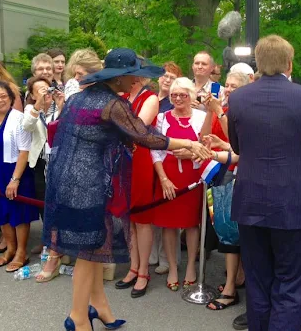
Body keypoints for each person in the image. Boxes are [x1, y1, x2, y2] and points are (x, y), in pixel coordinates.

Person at [42, 48, 210, 331]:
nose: (135, 81)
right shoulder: (112, 104)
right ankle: (78, 317)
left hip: (69, 182)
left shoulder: (78, 98)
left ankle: (100, 307)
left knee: (95, 248)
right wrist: (190, 144)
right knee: (87, 254)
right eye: (132, 76)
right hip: (90, 185)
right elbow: (145, 136)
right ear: (117, 78)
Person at [227, 35, 301, 331]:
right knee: (290, 283)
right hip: (293, 201)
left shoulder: (237, 98)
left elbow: (237, 146)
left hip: (250, 199)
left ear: (257, 63)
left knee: (259, 282)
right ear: (289, 63)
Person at [151, 77, 207, 292]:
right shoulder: (162, 118)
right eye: (174, 95)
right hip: (168, 175)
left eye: (183, 94)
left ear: (191, 96)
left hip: (192, 178)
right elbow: (154, 149)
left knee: (192, 224)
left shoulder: (201, 117)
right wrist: (163, 178)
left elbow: (205, 146)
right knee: (168, 224)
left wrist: (191, 152)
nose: (177, 99)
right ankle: (173, 267)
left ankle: (191, 265)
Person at [0, 81, 38, 272]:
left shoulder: (20, 119)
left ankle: (21, 252)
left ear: (11, 98)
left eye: (3, 96)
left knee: (18, 214)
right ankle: (10, 249)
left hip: (15, 172)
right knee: (1, 213)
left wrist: (15, 179)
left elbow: (24, 151)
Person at [201, 71, 250, 311]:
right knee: (229, 230)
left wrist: (219, 111)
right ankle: (232, 283)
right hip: (225, 172)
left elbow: (242, 144)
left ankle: (237, 282)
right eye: (226, 86)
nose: (228, 89)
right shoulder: (223, 108)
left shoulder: (244, 112)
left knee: (239, 232)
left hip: (246, 177)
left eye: (233, 86)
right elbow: (231, 144)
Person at [114, 76, 159, 298]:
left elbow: (136, 128)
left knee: (142, 219)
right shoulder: (120, 96)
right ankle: (133, 266)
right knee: (127, 217)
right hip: (120, 159)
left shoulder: (150, 98)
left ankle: (143, 271)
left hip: (140, 159)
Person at [22, 76, 66, 281]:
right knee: (44, 206)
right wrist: (38, 105)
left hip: (60, 163)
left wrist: (61, 104)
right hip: (40, 163)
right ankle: (50, 244)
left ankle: (59, 249)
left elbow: (68, 127)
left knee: (61, 207)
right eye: (38, 90)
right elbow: (27, 126)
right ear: (31, 94)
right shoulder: (31, 109)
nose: (45, 93)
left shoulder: (60, 106)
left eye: (47, 89)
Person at [150, 61, 183, 275]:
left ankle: (167, 258)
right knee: (151, 210)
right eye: (164, 75)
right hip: (150, 158)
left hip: (171, 159)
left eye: (172, 76)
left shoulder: (175, 104)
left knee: (170, 213)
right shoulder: (152, 99)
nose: (167, 79)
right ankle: (152, 254)